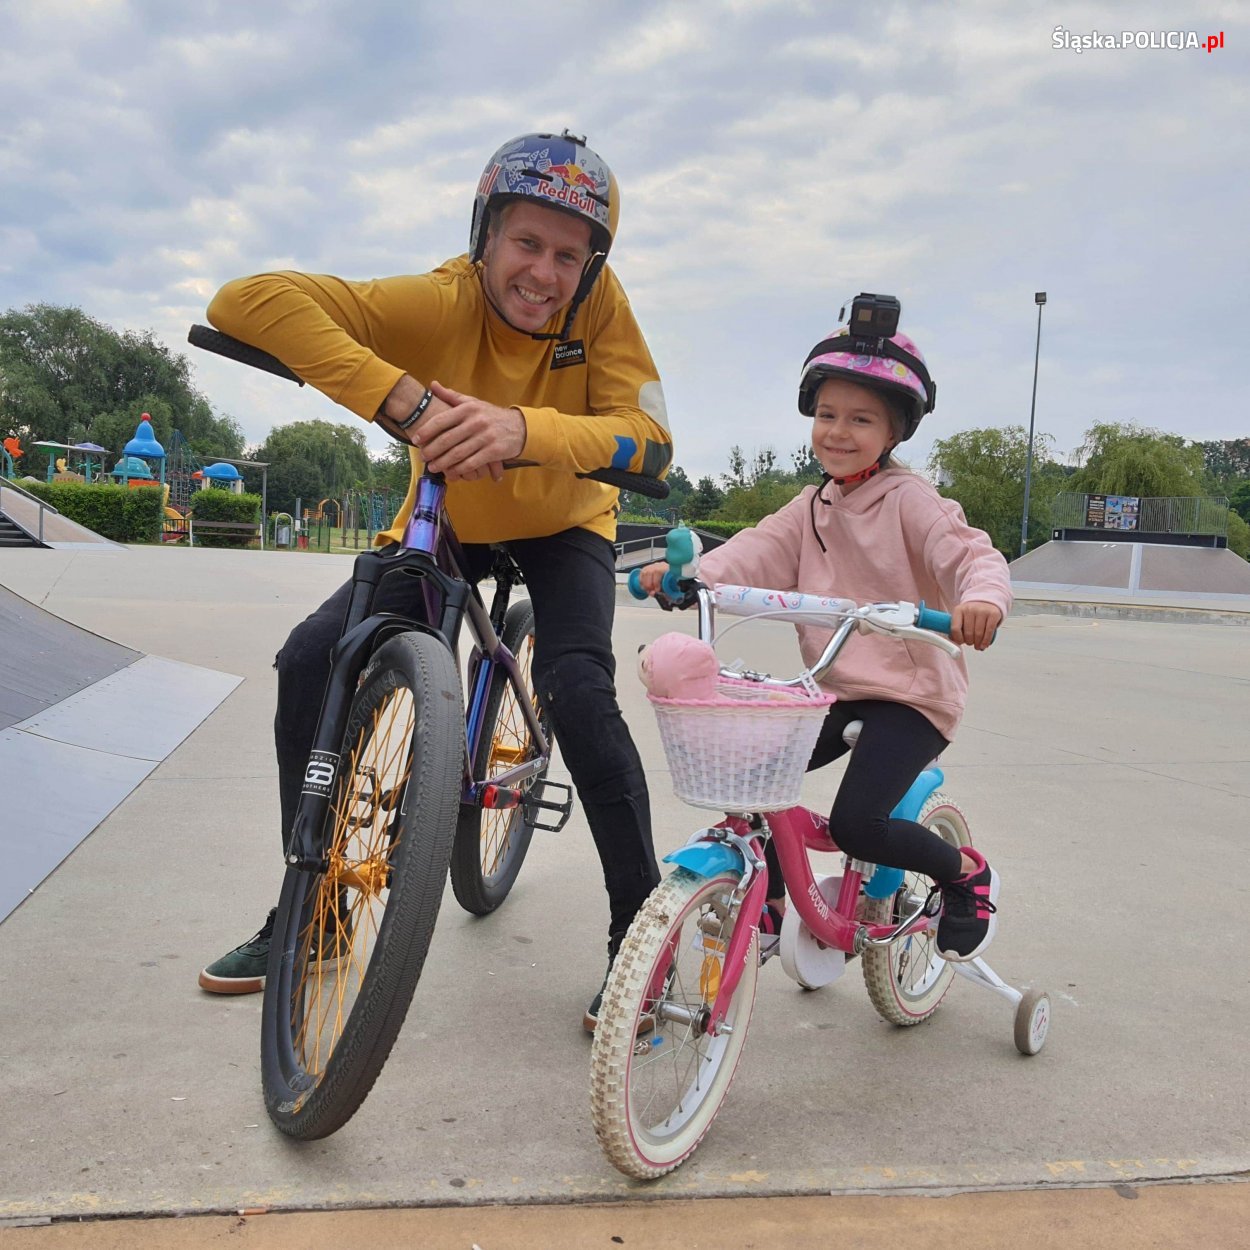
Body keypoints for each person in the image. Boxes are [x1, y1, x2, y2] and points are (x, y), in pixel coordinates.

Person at [197, 129, 672, 1030]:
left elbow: (648, 440)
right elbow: (244, 299)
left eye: (570, 256)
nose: (545, 272)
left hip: (567, 522)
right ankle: (321, 907)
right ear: (485, 235)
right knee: (309, 661)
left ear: (593, 264)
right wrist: (403, 400)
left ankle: (640, 939)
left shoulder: (601, 309)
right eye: (526, 244)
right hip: (451, 521)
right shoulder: (441, 299)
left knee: (579, 693)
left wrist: (521, 429)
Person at [638, 306, 1011, 961]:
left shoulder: (909, 500)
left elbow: (969, 553)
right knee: (748, 781)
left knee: (858, 824)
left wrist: (981, 600)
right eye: (828, 415)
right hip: (837, 687)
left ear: (894, 430)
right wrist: (690, 578)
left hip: (911, 695)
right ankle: (773, 900)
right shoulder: (813, 505)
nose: (839, 432)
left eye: (861, 419)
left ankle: (964, 876)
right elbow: (754, 550)